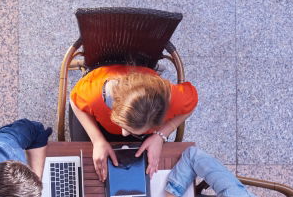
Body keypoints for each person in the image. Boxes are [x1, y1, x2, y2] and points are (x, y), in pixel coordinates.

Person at [69, 65, 198, 181]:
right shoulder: (94, 94)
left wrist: (160, 135)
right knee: (84, 165)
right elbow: (74, 101)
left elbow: (191, 105)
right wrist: (97, 140)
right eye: (125, 127)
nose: (124, 134)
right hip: (99, 120)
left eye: (131, 131)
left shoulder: (175, 98)